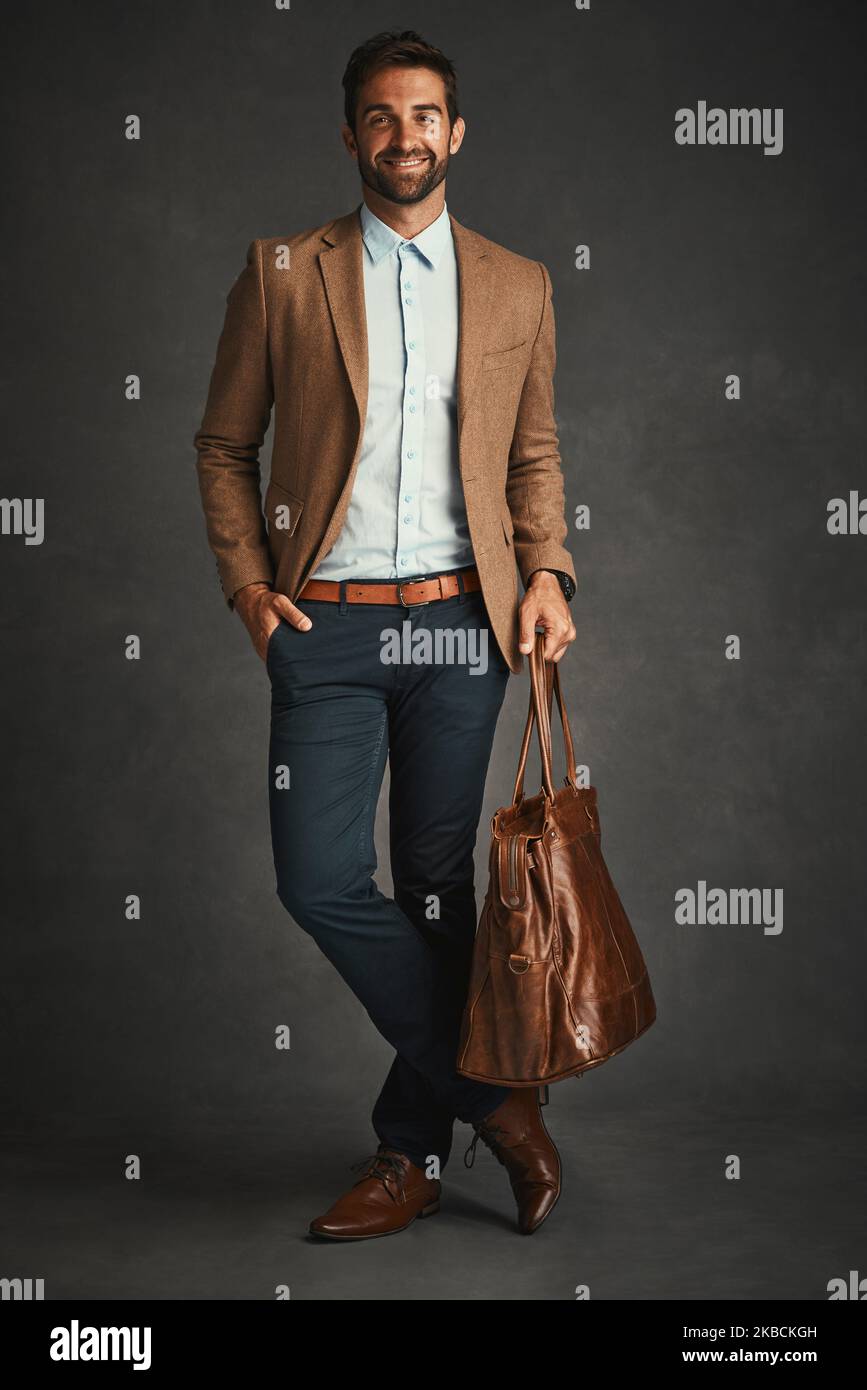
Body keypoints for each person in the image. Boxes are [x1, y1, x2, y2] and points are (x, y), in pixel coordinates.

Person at [193, 29, 577, 1239]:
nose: (403, 136)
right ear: (350, 133)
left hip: (464, 627)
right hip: (330, 632)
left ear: (454, 134)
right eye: (379, 116)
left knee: (432, 890)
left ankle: (408, 1153)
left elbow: (533, 452)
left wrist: (551, 569)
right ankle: (496, 1098)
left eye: (424, 116)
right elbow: (221, 445)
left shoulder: (518, 283)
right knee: (318, 880)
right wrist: (252, 591)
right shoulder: (282, 274)